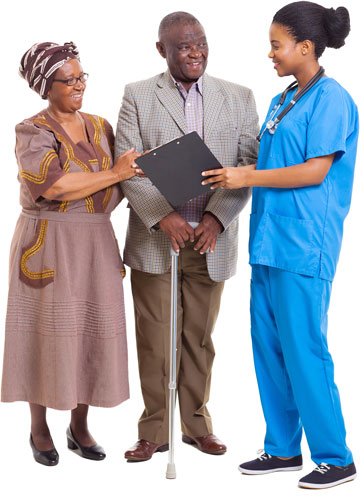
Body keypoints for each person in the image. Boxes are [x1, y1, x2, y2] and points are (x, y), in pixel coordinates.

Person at [202, 1, 358, 490]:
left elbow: (316, 170)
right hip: (268, 243)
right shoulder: (282, 100)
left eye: (276, 44)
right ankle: (284, 449)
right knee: (268, 347)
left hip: (304, 243)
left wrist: (246, 175)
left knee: (304, 347)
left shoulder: (332, 99)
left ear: (305, 47)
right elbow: (260, 162)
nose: (270, 53)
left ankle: (335, 456)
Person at [115, 12, 259, 461]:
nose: (194, 51)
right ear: (162, 50)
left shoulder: (239, 97)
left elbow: (250, 167)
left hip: (212, 241)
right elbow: (127, 166)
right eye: (182, 46)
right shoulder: (138, 95)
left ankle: (197, 425)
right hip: (158, 241)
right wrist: (165, 217)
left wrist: (217, 218)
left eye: (200, 42)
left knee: (198, 338)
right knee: (155, 337)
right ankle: (154, 430)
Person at [1, 42, 141, 466]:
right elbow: (54, 186)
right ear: (47, 85)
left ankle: (79, 427)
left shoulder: (100, 126)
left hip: (96, 241)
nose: (79, 85)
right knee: (44, 335)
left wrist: (132, 176)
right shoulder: (33, 130)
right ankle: (39, 429)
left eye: (83, 77)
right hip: (50, 244)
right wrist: (114, 174)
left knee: (89, 334)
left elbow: (119, 185)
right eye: (70, 79)